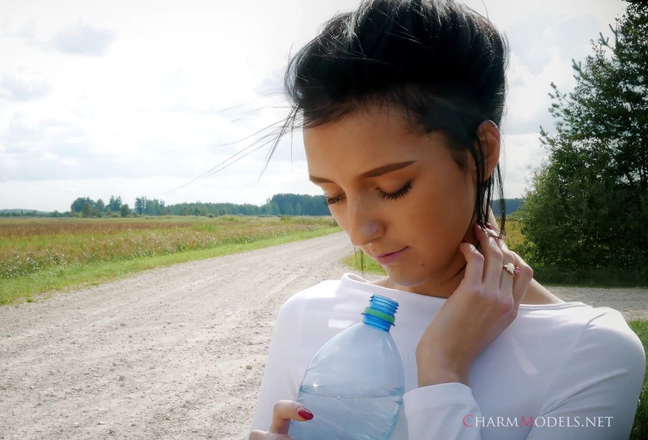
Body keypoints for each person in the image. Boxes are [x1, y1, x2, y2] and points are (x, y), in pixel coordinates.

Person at [247, 0, 646, 439]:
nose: (359, 232)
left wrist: (442, 370)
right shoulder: (307, 316)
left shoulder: (591, 352)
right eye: (333, 196)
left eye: (393, 187)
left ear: (482, 154)